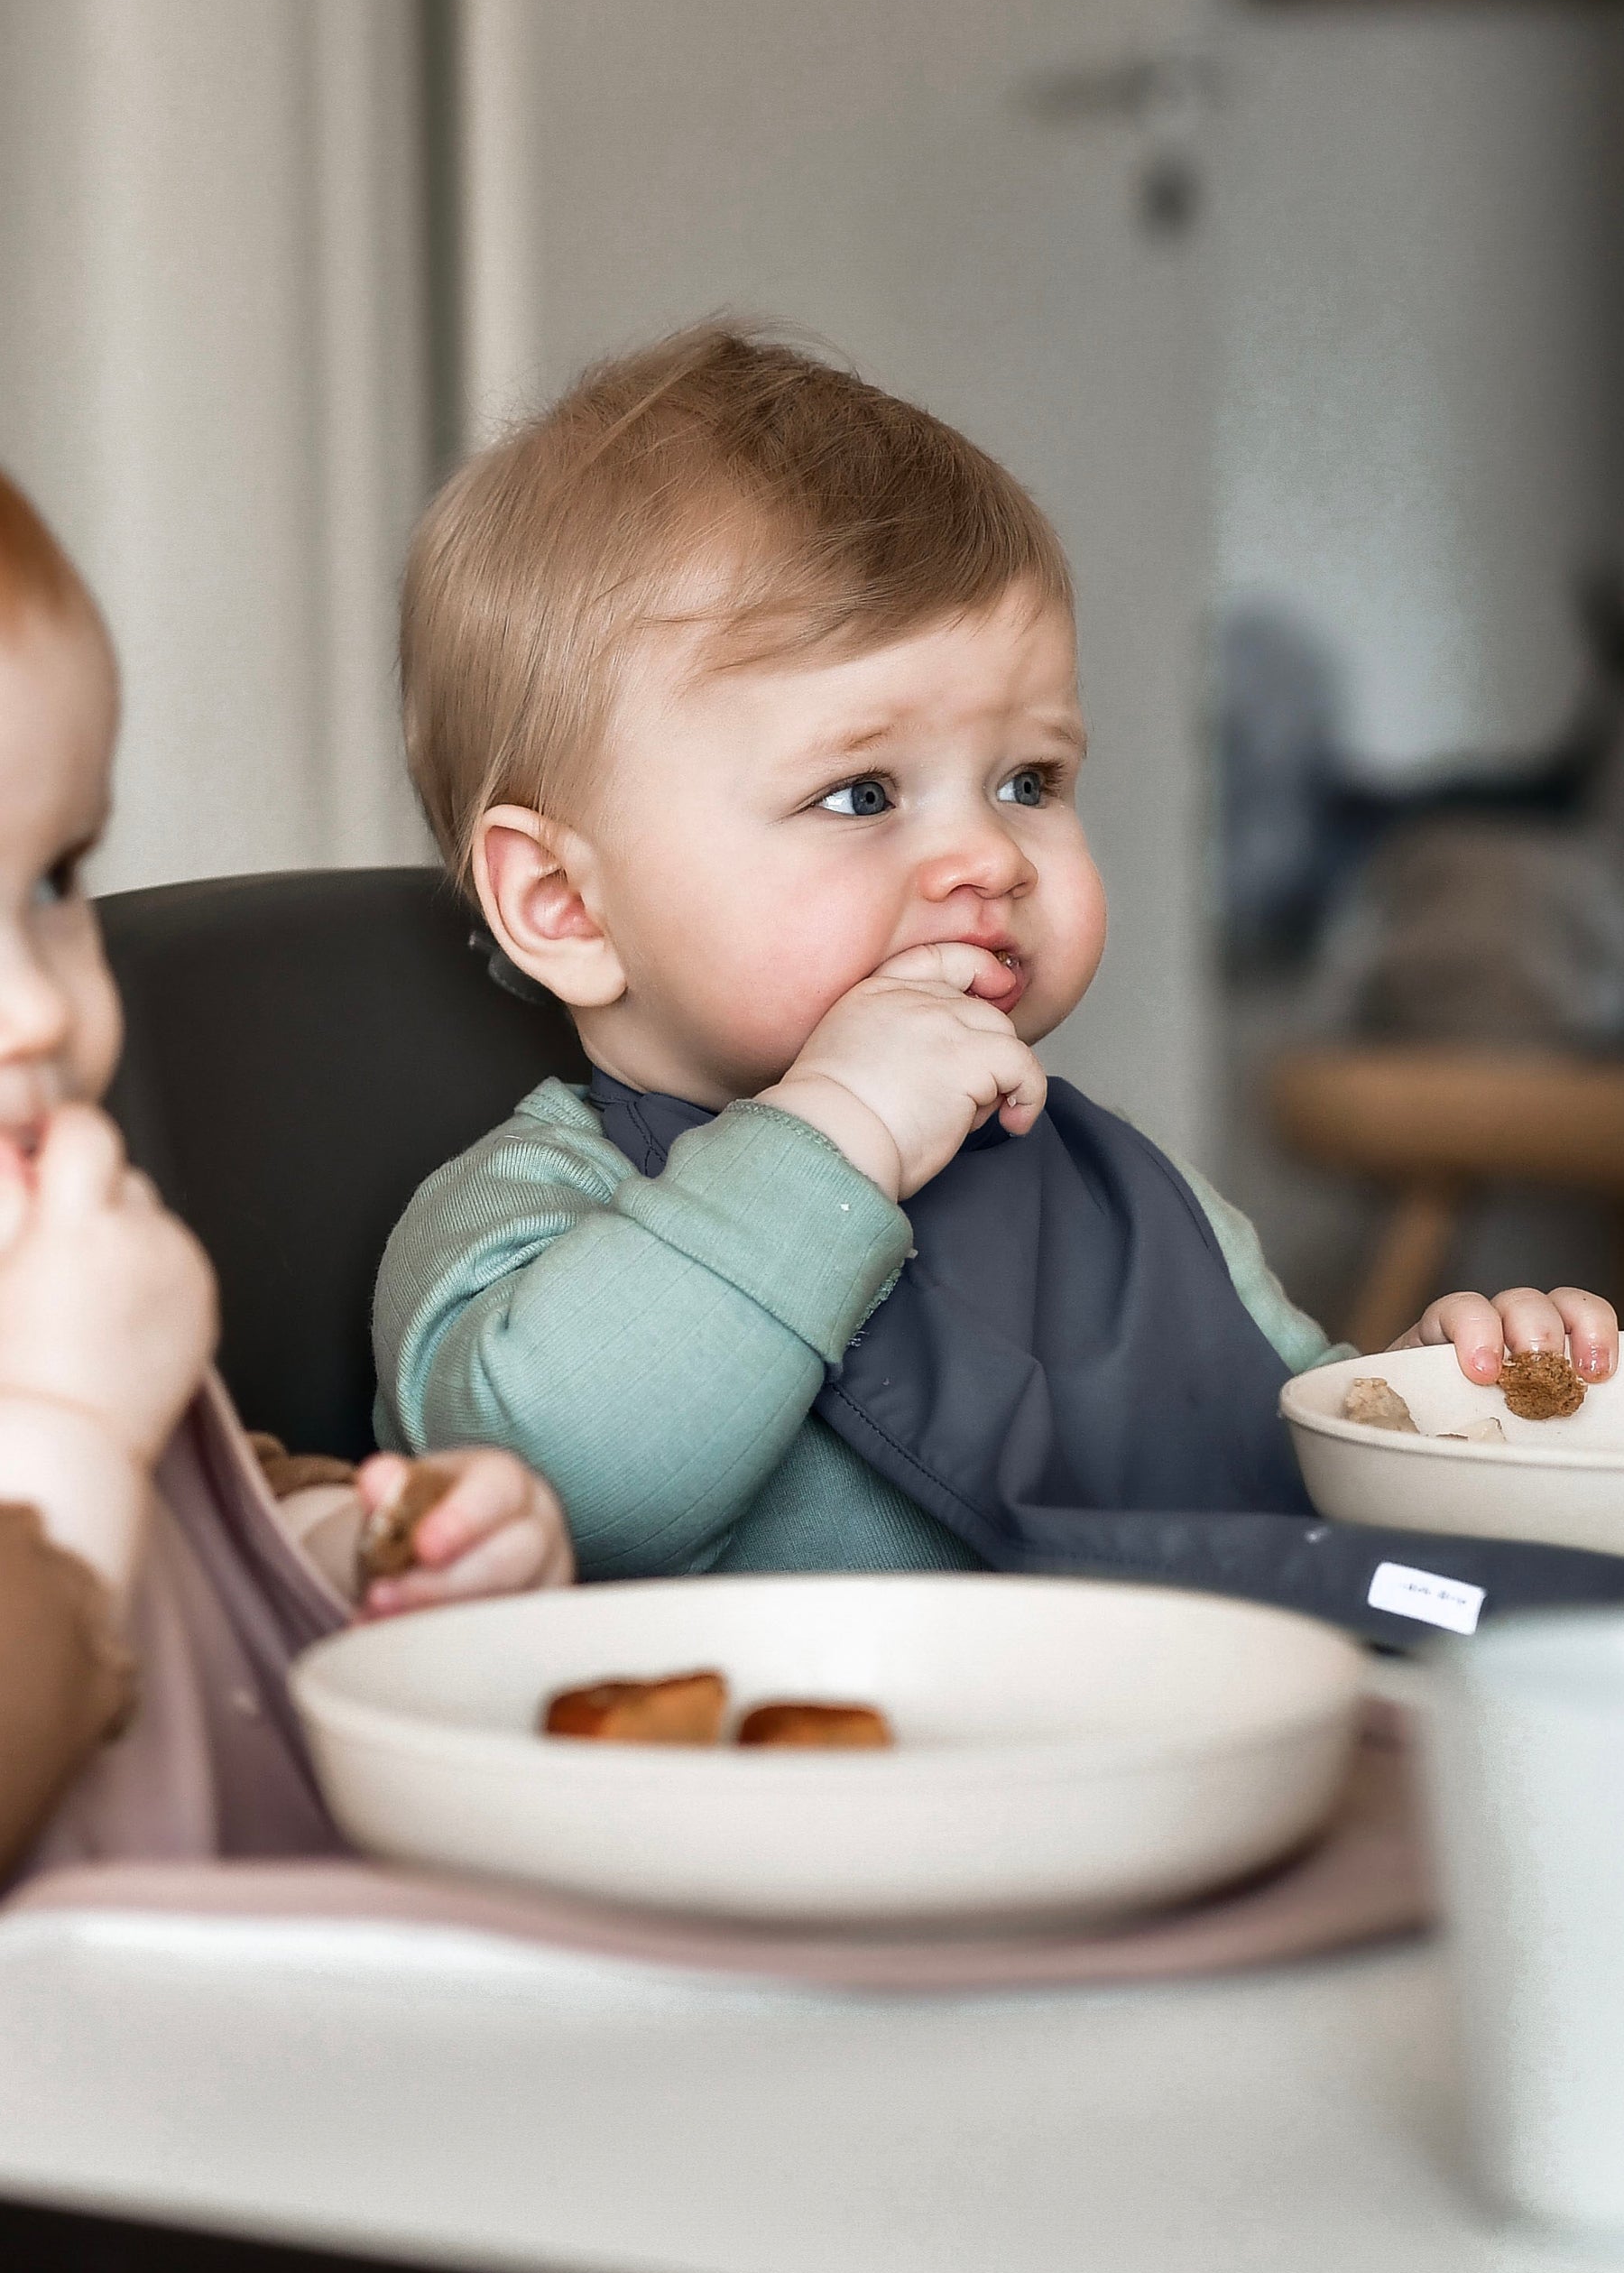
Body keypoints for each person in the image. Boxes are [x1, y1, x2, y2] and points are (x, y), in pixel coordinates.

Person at [373, 325, 1617, 1594]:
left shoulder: (1127, 1202)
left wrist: (1425, 1411)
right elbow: (571, 1492)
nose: (990, 856)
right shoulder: (530, 1215)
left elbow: (1269, 1489)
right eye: (860, 793)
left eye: (1030, 779)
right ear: (566, 906)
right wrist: (839, 1129)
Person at [0, 469, 572, 1885]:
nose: (37, 1010)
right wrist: (64, 1426)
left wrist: (352, 1546)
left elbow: (200, 1517)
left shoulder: (52, 1247)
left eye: (51, 886)